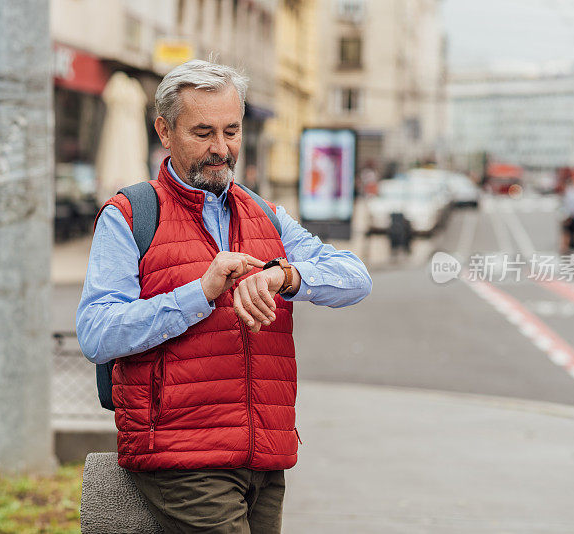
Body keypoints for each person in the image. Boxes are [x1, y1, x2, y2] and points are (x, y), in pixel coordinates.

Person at [76, 59, 372, 533]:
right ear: (164, 131)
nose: (221, 149)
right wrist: (200, 293)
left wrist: (285, 277)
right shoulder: (129, 214)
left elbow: (355, 277)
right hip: (182, 457)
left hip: (265, 455)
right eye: (203, 133)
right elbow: (97, 333)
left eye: (231, 131)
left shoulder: (266, 214)